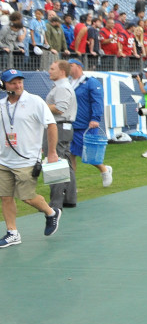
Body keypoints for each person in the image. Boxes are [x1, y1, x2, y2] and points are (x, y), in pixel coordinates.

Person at [0, 69, 62, 248]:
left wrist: (52, 153)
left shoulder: (35, 101)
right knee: (5, 197)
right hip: (4, 160)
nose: (18, 85)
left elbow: (51, 125)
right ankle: (12, 232)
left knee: (26, 197)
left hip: (27, 160)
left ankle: (51, 212)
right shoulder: (2, 104)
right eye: (13, 82)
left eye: (20, 81)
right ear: (5, 85)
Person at [68, 58, 113, 192]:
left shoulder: (90, 82)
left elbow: (97, 101)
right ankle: (72, 185)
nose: (68, 68)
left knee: (88, 154)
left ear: (79, 67)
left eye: (71, 65)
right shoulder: (69, 83)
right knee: (70, 154)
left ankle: (104, 170)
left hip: (86, 125)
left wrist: (95, 118)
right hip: (71, 124)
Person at [44, 60, 77, 212]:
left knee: (55, 161)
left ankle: (56, 203)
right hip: (63, 127)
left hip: (58, 127)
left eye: (52, 68)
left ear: (62, 71)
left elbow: (60, 108)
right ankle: (69, 198)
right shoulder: (62, 87)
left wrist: (41, 106)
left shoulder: (62, 88)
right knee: (65, 161)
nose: (49, 71)